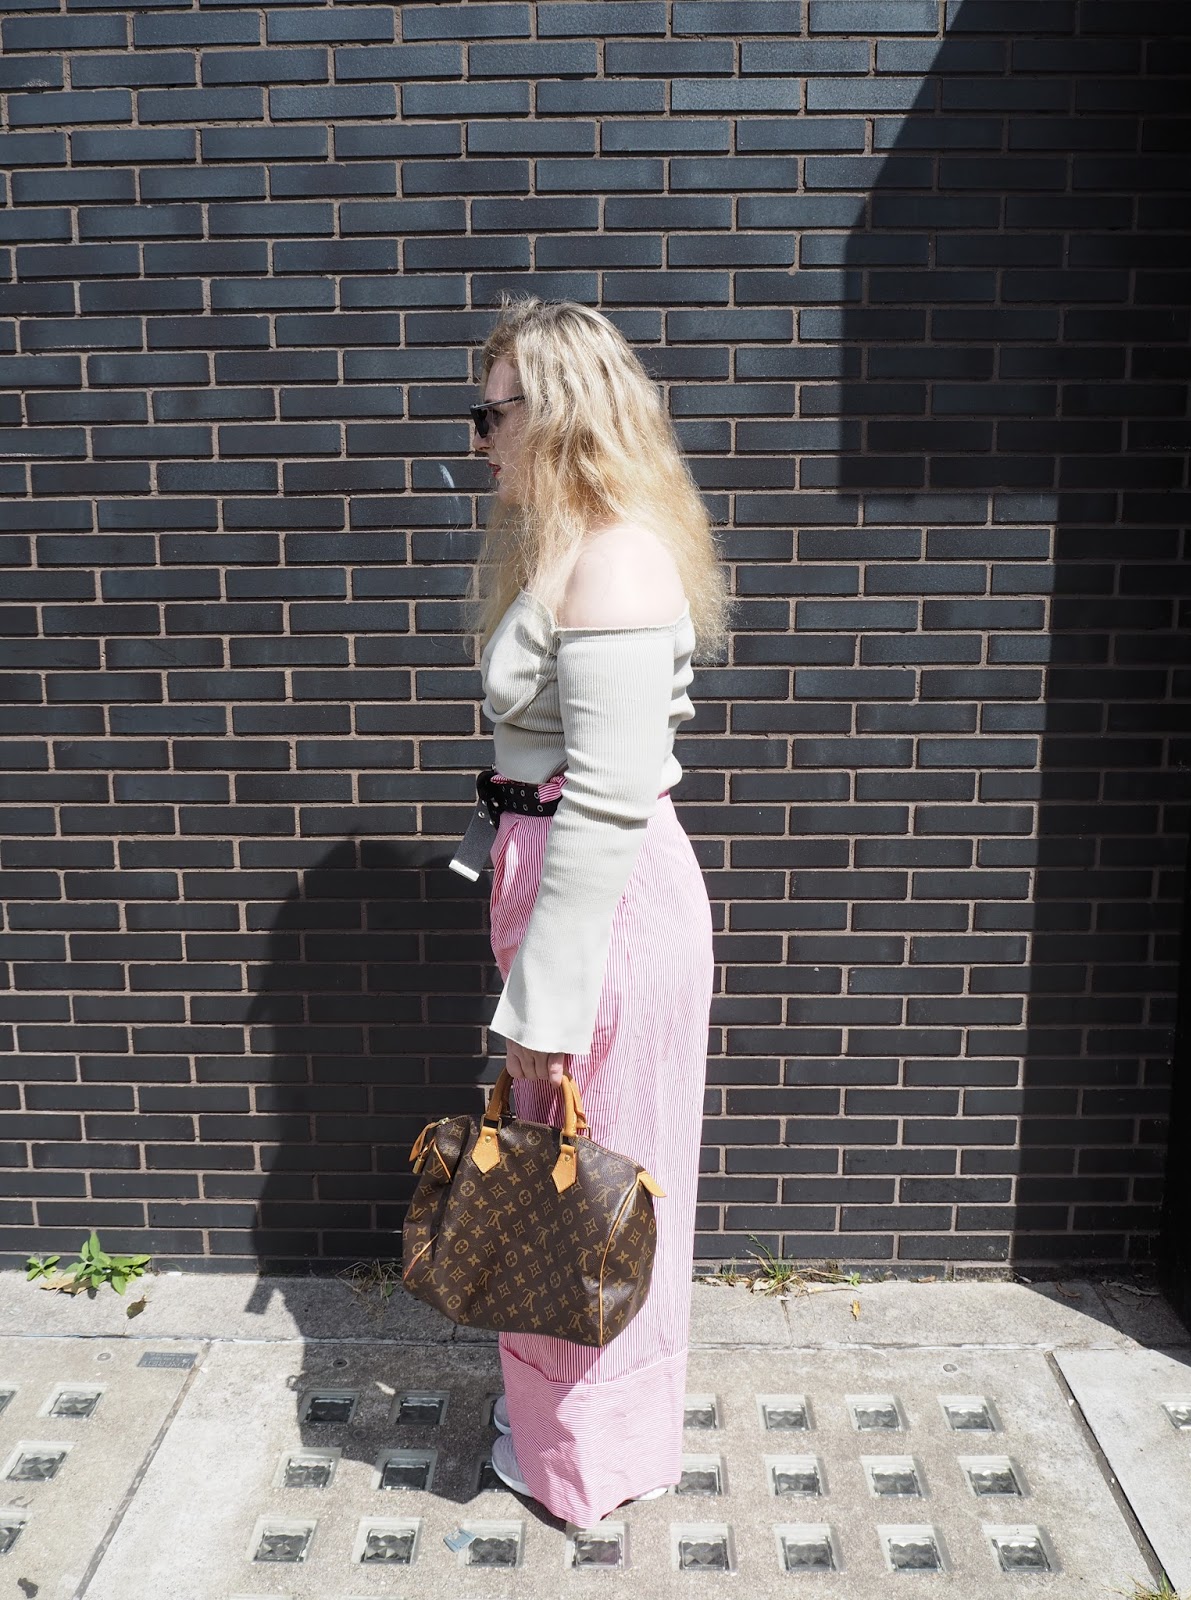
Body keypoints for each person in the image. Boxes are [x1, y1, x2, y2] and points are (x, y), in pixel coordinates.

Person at [465, 296, 729, 1528]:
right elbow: (545, 768)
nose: (478, 439)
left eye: (491, 414)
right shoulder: (571, 546)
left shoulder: (613, 558)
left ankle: (589, 1457)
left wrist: (545, 1008)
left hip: (605, 909)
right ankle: (579, 1429)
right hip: (573, 892)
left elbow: (610, 796)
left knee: (588, 1187)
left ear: (558, 412)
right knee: (581, 1177)